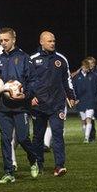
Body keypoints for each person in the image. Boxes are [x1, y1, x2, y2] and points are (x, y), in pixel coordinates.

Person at [30, 31, 76, 177]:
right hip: (38, 105)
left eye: (54, 41)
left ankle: (59, 166)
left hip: (57, 104)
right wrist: (30, 97)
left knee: (57, 134)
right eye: (49, 41)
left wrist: (71, 95)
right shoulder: (32, 59)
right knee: (37, 137)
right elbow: (28, 81)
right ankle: (38, 163)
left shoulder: (61, 60)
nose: (52, 43)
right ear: (41, 42)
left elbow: (67, 79)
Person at [0, 27, 37, 183]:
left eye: (6, 40)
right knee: (5, 139)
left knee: (23, 137)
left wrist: (27, 94)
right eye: (1, 41)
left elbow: (33, 80)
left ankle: (33, 159)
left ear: (13, 39)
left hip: (21, 106)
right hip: (3, 107)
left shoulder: (24, 58)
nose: (3, 43)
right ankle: (9, 172)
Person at [72, 58, 97, 143]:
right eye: (85, 66)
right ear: (82, 66)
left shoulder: (93, 76)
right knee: (83, 121)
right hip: (80, 101)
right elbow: (74, 89)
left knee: (88, 118)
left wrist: (96, 99)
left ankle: (87, 138)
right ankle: (86, 136)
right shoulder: (76, 77)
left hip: (90, 101)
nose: (87, 68)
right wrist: (75, 99)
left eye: (88, 67)